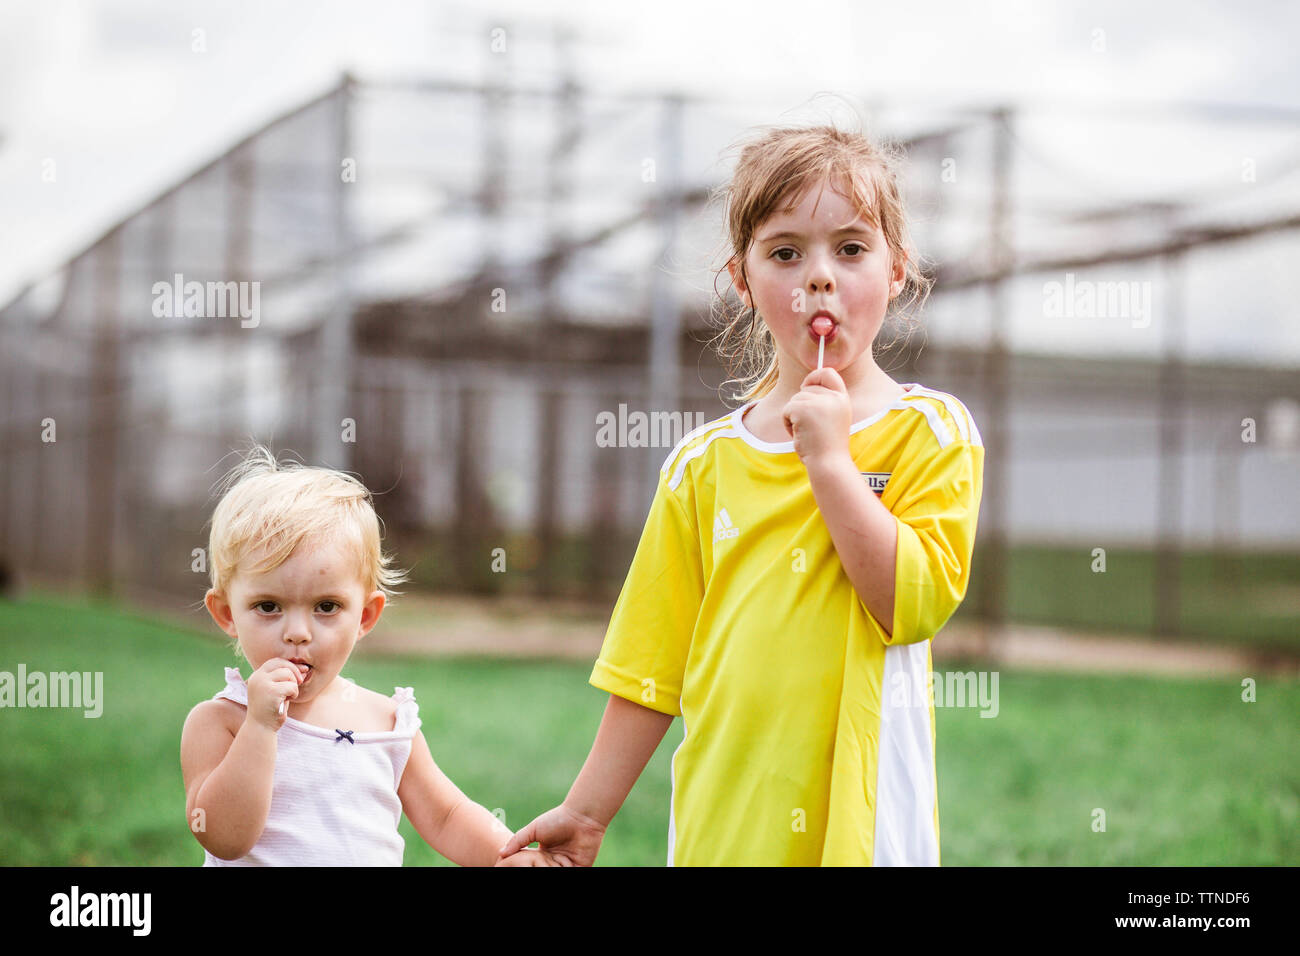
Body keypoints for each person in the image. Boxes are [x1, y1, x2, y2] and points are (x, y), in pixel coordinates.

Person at [498, 123, 984, 866]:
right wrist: (588, 812)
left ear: (896, 271)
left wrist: (829, 462)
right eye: (785, 252)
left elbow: (910, 604)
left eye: (851, 248)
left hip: (863, 822)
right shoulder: (701, 467)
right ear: (744, 282)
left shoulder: (931, 431)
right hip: (724, 824)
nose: (819, 276)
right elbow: (649, 665)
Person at [181, 445, 520, 866]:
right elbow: (224, 838)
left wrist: (512, 856)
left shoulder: (387, 723)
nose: (298, 633)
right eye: (269, 606)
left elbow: (448, 816)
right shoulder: (221, 722)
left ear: (366, 615)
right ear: (227, 613)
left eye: (326, 607)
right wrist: (259, 727)